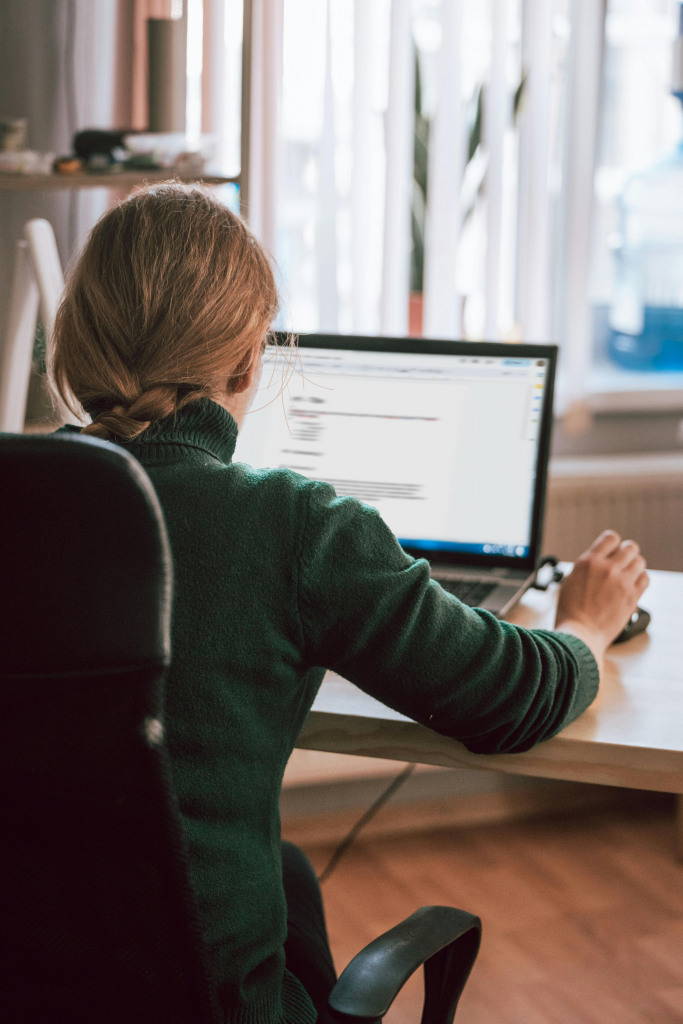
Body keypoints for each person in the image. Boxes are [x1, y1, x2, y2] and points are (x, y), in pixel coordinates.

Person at [49, 183, 648, 1024]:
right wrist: (584, 622)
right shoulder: (288, 524)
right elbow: (510, 698)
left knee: (288, 871)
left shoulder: (19, 493)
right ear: (249, 361)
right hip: (208, 1007)